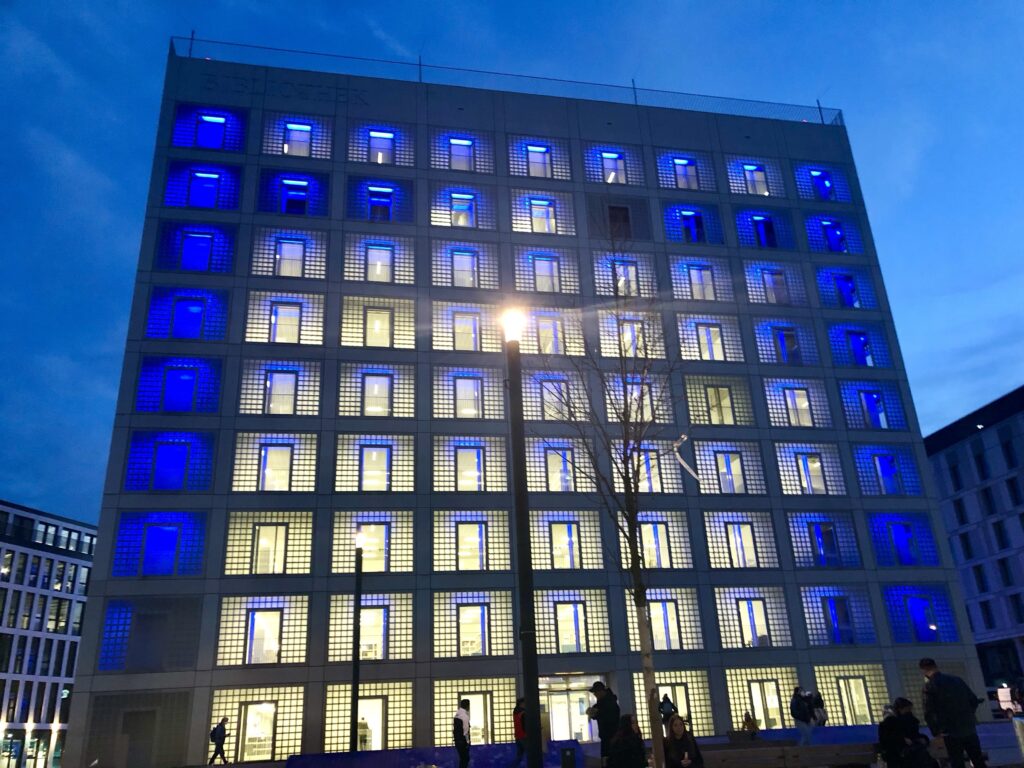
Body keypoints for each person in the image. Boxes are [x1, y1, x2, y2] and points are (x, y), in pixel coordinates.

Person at [919, 658, 987, 768]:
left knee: (957, 761)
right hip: (968, 726)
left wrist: (936, 731)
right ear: (936, 666)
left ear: (923, 670)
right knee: (977, 759)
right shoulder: (957, 680)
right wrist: (969, 715)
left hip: (949, 730)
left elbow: (929, 711)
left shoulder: (929, 686)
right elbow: (973, 700)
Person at [878, 697, 936, 768]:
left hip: (908, 753)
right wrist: (903, 740)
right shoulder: (891, 723)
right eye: (907, 709)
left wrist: (921, 739)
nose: (909, 711)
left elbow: (913, 734)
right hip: (901, 755)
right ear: (901, 709)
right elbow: (888, 740)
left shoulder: (908, 720)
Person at [587, 681, 621, 762]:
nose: (594, 694)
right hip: (607, 736)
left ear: (601, 691)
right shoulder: (603, 702)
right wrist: (593, 713)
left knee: (609, 760)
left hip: (611, 737)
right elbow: (596, 714)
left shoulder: (609, 703)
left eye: (595, 692)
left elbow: (607, 718)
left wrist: (595, 713)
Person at [453, 698, 471, 768]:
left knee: (463, 759)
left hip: (457, 740)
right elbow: (465, 731)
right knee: (465, 759)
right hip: (462, 741)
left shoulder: (457, 714)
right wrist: (467, 742)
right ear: (467, 706)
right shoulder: (465, 716)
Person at [509, 698, 526, 768]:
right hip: (524, 736)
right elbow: (525, 725)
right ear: (521, 703)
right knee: (532, 754)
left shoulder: (515, 712)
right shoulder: (523, 713)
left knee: (519, 756)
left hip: (518, 736)